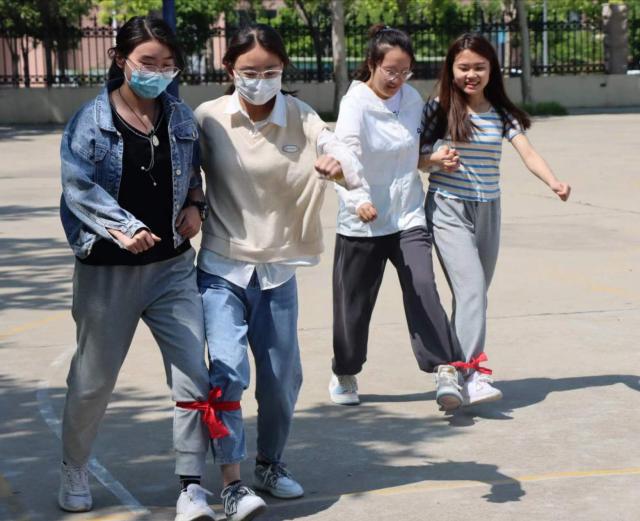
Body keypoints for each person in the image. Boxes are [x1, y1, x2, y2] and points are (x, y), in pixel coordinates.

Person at [194, 24, 361, 521]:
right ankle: (231, 481)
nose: (260, 80)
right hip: (222, 267)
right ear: (230, 69)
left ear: (283, 69)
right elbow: (182, 172)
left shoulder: (301, 116)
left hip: (277, 271)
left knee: (281, 379)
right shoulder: (209, 118)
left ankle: (269, 464)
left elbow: (339, 148)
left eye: (270, 71)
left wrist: (337, 166)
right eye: (250, 71)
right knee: (227, 373)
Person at [59, 16, 218, 521]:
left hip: (172, 267)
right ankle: (74, 466)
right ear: (120, 59)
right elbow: (78, 187)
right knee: (93, 381)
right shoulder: (91, 120)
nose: (158, 72)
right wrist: (122, 227)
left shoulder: (179, 115)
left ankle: (191, 484)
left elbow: (193, 171)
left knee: (193, 375)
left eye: (168, 64)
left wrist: (195, 203)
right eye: (148, 62)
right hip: (108, 272)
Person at [420, 33, 571, 406]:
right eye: (463, 67)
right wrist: (435, 159)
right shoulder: (439, 108)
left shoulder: (502, 113)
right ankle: (472, 373)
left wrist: (553, 181)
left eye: (479, 67)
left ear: (492, 70)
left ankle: (450, 374)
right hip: (448, 207)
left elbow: (528, 152)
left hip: (489, 209)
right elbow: (416, 157)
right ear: (451, 69)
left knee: (473, 296)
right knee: (472, 289)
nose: (471, 74)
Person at [328, 24, 465, 412]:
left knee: (423, 286)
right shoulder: (355, 103)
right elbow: (345, 156)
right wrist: (357, 199)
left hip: (407, 215)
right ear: (372, 64)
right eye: (390, 70)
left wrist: (433, 159)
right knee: (353, 306)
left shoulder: (412, 99)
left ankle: (444, 368)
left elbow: (411, 155)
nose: (397, 79)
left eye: (405, 71)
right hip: (363, 221)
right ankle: (345, 370)